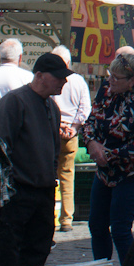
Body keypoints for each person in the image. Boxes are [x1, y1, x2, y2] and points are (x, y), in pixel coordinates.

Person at [0, 52, 69, 266]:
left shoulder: (51, 107)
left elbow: (54, 147)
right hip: (18, 191)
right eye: (58, 77)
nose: (63, 82)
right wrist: (11, 186)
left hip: (43, 190)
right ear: (40, 76)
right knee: (7, 252)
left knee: (39, 246)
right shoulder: (15, 101)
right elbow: (3, 147)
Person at [82, 51, 134, 265]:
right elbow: (91, 122)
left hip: (131, 172)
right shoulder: (106, 91)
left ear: (132, 80)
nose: (110, 81)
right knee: (96, 225)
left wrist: (107, 154)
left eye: (116, 78)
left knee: (120, 229)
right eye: (109, 75)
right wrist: (91, 143)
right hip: (104, 171)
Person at [49, 46, 89, 233]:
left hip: (52, 132)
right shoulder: (79, 81)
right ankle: (66, 218)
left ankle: (51, 216)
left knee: (49, 175)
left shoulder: (51, 79)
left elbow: (49, 104)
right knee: (67, 176)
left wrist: (58, 126)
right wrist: (73, 128)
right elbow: (84, 109)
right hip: (70, 133)